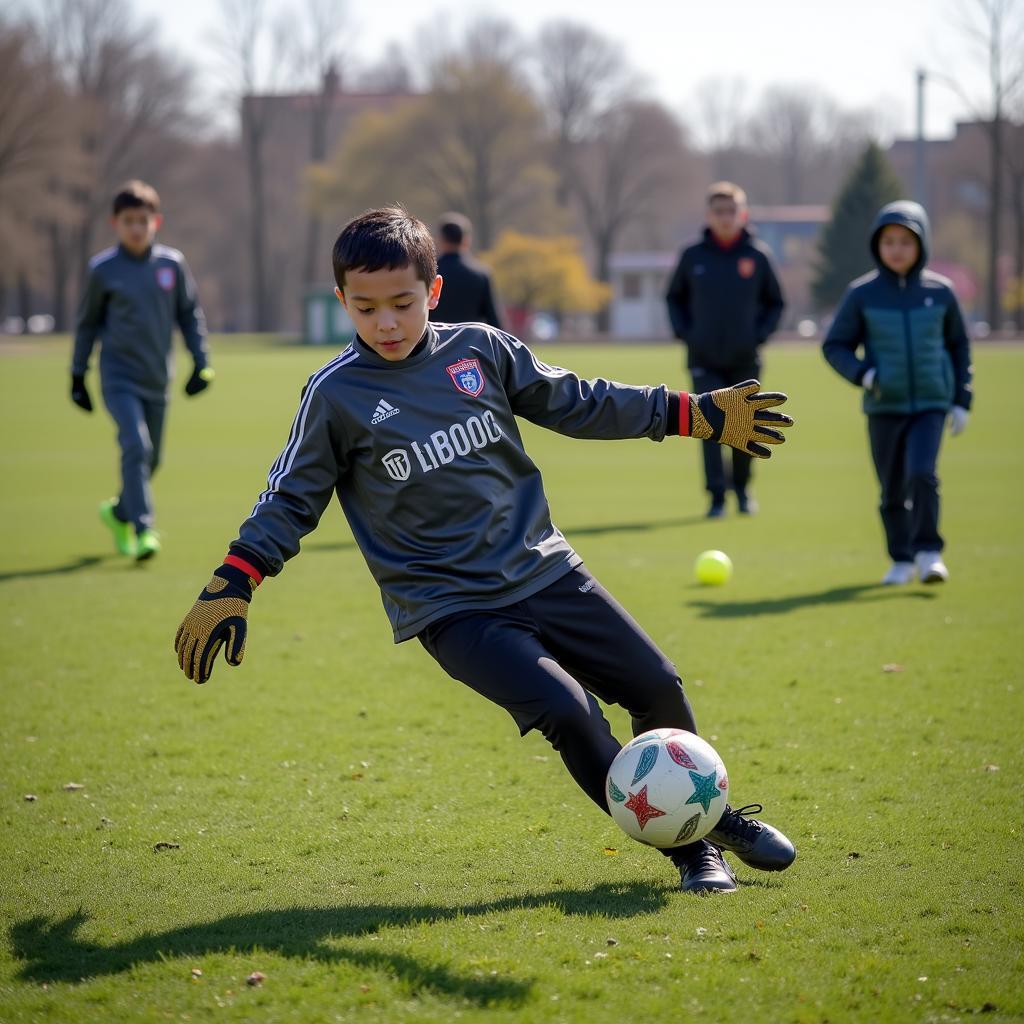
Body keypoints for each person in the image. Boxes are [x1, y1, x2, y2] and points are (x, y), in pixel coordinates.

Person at [174, 206, 796, 895]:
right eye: (366, 307)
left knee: (658, 684)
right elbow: (291, 498)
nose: (386, 323)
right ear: (343, 301)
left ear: (432, 294)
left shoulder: (480, 350)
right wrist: (236, 579)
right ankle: (692, 849)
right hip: (453, 608)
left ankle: (711, 816)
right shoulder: (335, 395)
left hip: (546, 569)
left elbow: (577, 401)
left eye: (403, 304)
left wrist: (689, 413)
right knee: (568, 710)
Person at [822, 200, 972, 585]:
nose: (897, 249)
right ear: (878, 245)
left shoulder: (941, 292)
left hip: (930, 404)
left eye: (906, 241)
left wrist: (961, 400)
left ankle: (928, 553)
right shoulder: (862, 294)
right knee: (890, 487)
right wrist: (864, 375)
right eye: (889, 241)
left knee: (922, 474)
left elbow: (959, 346)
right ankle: (900, 558)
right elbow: (835, 345)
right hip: (884, 406)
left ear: (921, 243)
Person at [70, 179, 212, 561]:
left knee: (152, 460)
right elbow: (87, 324)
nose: (137, 227)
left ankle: (118, 512)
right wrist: (78, 374)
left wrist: (202, 363)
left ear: (157, 221)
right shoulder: (103, 270)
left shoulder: (171, 264)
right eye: (129, 220)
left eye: (143, 220)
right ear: (115, 223)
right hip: (118, 378)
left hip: (157, 378)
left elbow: (189, 314)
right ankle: (144, 528)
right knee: (136, 445)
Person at [665, 182, 785, 518]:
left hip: (744, 358)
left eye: (731, 211)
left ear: (742, 214)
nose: (725, 217)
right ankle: (716, 496)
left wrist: (758, 335)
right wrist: (686, 333)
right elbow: (674, 298)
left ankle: (743, 489)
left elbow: (776, 302)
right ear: (708, 215)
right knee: (707, 425)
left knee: (745, 426)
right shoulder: (692, 256)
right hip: (703, 358)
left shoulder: (757, 256)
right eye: (719, 211)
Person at [428, 212, 503, 329]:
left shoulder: (430, 271)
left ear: (441, 239)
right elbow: (493, 319)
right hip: (470, 343)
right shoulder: (481, 274)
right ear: (466, 240)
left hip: (436, 343)